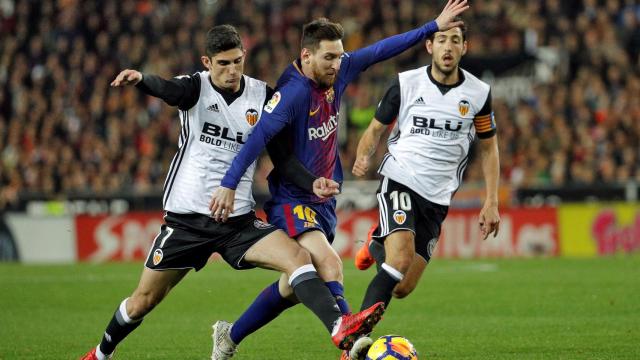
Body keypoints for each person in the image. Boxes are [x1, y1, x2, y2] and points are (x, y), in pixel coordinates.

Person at [80, 25, 384, 360]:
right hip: (187, 222)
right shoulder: (196, 88)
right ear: (207, 62)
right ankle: (100, 353)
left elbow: (282, 156)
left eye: (238, 61)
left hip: (238, 222)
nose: (232, 70)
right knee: (142, 302)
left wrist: (311, 181)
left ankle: (340, 328)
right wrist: (142, 80)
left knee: (300, 258)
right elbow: (167, 89)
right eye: (223, 63)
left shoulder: (263, 96)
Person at [208, 1, 470, 359]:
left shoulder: (339, 70)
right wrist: (227, 183)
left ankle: (229, 336)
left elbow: (381, 50)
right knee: (330, 263)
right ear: (307, 55)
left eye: (339, 56)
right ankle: (352, 343)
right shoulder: (292, 93)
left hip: (322, 201)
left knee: (291, 286)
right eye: (329, 58)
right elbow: (258, 140)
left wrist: (432, 25)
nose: (337, 64)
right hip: (292, 200)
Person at [350, 15, 501, 358]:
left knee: (402, 286)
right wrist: (363, 156)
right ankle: (352, 341)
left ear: (465, 47)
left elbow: (489, 146)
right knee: (400, 258)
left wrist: (491, 200)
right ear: (430, 46)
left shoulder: (478, 94)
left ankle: (376, 243)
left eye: (455, 41)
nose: (448, 47)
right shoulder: (406, 84)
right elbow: (375, 129)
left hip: (438, 197)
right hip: (401, 178)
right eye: (442, 40)